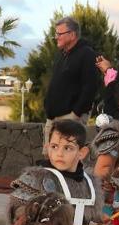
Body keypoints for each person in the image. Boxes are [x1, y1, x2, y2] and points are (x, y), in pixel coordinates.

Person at [42, 17, 100, 145]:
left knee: (68, 159)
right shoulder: (62, 55)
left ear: (72, 35)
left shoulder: (87, 54)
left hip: (71, 118)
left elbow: (90, 87)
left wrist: (75, 113)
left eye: (59, 33)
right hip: (53, 118)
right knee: (49, 157)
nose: (56, 37)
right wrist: (48, 106)